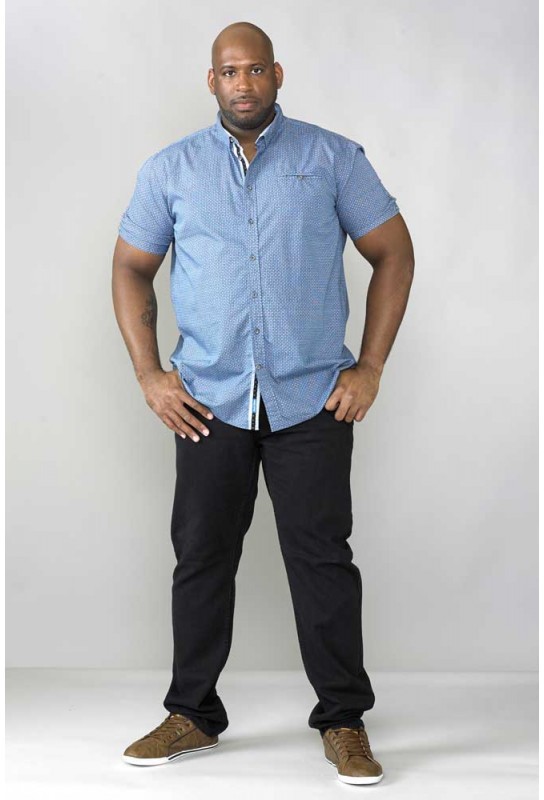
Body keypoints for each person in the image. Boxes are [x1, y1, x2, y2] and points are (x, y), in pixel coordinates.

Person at [112, 20, 414, 785]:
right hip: (207, 402)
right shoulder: (171, 169)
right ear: (211, 80)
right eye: (228, 71)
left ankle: (343, 721)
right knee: (201, 558)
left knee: (322, 560)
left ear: (277, 75)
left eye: (254, 70)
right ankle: (192, 714)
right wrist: (150, 375)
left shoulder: (333, 158)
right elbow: (130, 267)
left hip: (312, 398)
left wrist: (370, 367)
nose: (242, 83)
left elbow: (393, 252)